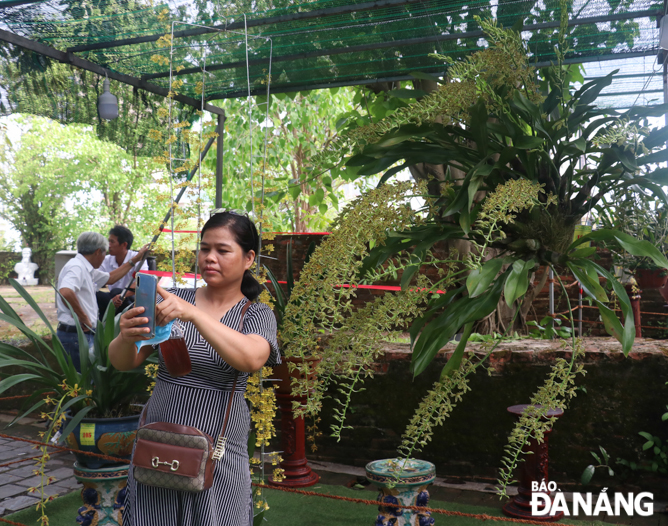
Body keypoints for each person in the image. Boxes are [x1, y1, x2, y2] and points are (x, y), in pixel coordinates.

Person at [109, 211, 279, 526]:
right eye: (204, 249)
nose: (209, 257)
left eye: (222, 250)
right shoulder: (174, 301)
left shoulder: (256, 314)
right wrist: (125, 336)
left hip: (217, 448)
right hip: (158, 440)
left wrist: (196, 315)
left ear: (248, 258)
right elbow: (124, 362)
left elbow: (251, 358)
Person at [57, 232, 148, 372]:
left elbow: (110, 278)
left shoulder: (85, 267)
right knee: (82, 383)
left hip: (80, 335)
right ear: (98, 252)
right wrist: (83, 317)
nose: (105, 258)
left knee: (86, 383)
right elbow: (65, 291)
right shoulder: (77, 267)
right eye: (105, 253)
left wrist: (135, 259)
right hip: (76, 336)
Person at [97, 225, 149, 318]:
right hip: (113, 299)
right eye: (108, 241)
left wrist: (123, 294)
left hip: (131, 299)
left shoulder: (138, 258)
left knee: (116, 292)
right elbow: (97, 279)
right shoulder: (106, 260)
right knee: (98, 296)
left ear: (124, 244)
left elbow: (141, 283)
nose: (108, 245)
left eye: (112, 242)